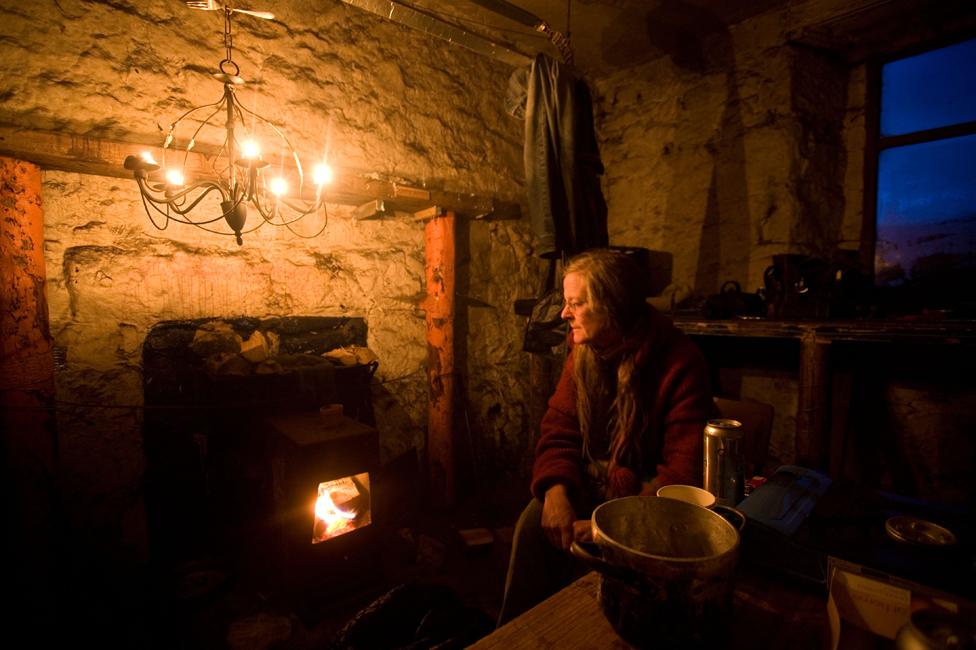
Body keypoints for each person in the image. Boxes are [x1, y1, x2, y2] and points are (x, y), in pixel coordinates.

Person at [497, 248, 716, 625]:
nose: (565, 314)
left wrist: (612, 528)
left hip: (645, 501)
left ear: (611, 307)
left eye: (576, 304)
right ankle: (515, 633)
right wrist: (554, 491)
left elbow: (682, 475)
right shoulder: (583, 353)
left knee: (612, 589)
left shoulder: (680, 363)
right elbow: (560, 427)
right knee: (533, 526)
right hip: (591, 483)